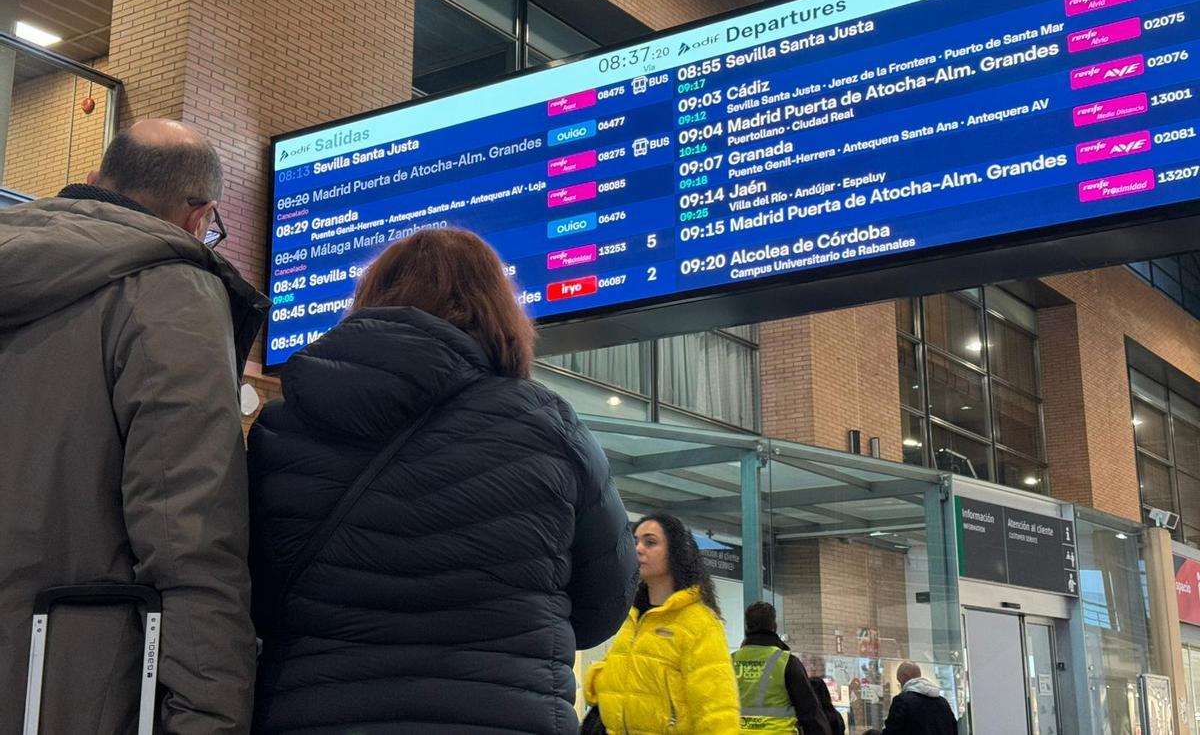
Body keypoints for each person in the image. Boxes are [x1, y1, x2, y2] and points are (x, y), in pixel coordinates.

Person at [248, 227, 637, 734]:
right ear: (497, 311)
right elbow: (603, 605)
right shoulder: (548, 426)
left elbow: (250, 595)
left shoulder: (284, 427)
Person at [0, 120, 269, 734]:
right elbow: (190, 535)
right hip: (65, 690)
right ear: (201, 216)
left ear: (93, 180)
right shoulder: (170, 292)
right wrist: (209, 720)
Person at [586, 512, 742, 734]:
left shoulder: (699, 623)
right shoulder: (633, 618)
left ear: (675, 552)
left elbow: (717, 710)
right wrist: (597, 683)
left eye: (650, 543)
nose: (639, 549)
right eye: (635, 542)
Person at [730, 600, 831, 735]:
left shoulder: (730, 662)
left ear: (747, 626)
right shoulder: (787, 662)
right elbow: (809, 712)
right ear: (774, 626)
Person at [880, 662, 957, 735]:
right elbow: (954, 729)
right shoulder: (943, 702)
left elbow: (892, 731)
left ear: (904, 676)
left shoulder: (902, 701)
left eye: (899, 681)